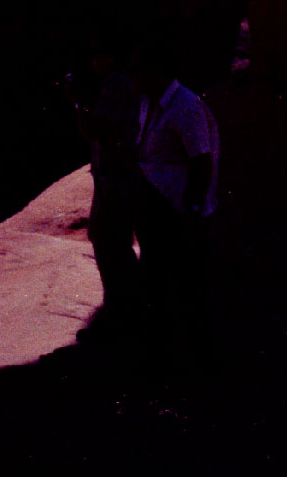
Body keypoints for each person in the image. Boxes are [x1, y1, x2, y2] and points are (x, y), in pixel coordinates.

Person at [130, 48, 220, 349]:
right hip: (155, 207)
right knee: (156, 281)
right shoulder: (147, 103)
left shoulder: (185, 106)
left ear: (155, 71)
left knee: (187, 286)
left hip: (177, 211)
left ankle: (195, 354)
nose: (133, 76)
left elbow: (201, 161)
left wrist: (192, 212)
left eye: (139, 69)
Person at [69, 40, 140, 333]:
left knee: (108, 240)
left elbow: (95, 128)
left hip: (116, 177)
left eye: (98, 55)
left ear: (110, 58)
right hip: (113, 175)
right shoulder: (119, 85)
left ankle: (119, 309)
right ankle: (125, 306)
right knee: (112, 240)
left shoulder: (116, 86)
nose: (94, 62)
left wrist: (75, 102)